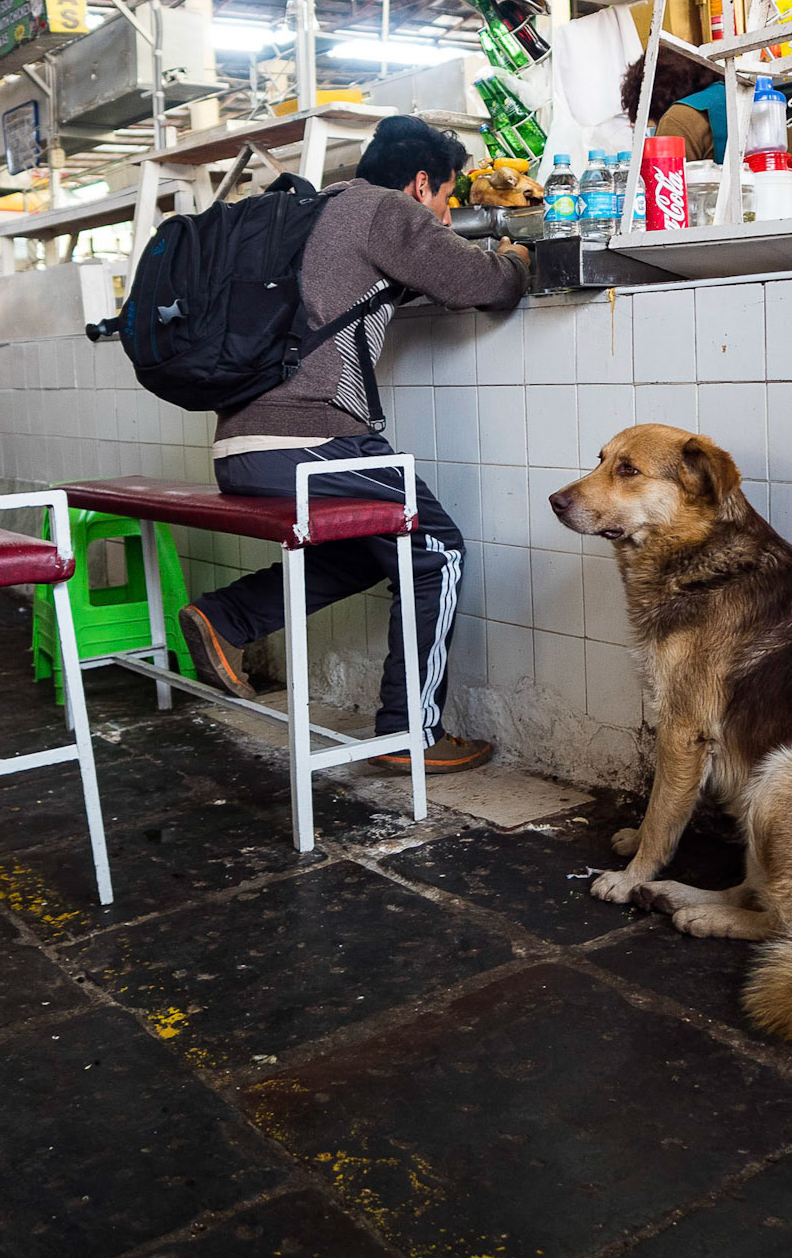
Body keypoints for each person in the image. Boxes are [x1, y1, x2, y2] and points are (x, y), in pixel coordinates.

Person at [178, 117, 529, 774]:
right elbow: (481, 285)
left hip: (240, 446)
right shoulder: (382, 207)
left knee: (377, 549)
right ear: (421, 181)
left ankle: (226, 616)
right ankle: (408, 733)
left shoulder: (310, 213)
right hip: (308, 439)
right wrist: (517, 260)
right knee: (436, 549)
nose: (445, 216)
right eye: (446, 199)